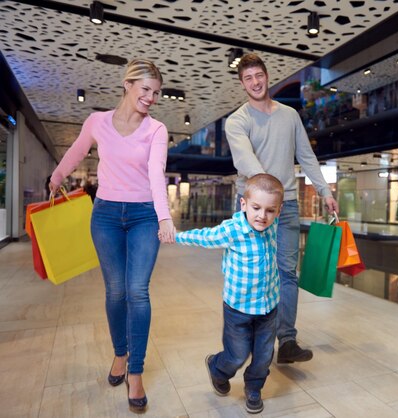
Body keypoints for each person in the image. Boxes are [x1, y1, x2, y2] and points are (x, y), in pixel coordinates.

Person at [49, 59, 176, 414]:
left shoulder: (157, 130)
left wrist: (164, 217)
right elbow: (77, 150)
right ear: (127, 84)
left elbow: (156, 174)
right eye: (145, 89)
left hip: (143, 217)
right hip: (104, 215)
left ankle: (135, 371)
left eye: (156, 92)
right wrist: (58, 176)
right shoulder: (97, 122)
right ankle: (120, 353)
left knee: (137, 290)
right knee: (115, 291)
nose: (150, 98)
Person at [225, 53, 339, 364]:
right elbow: (246, 162)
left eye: (258, 75)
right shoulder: (237, 120)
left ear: (266, 75)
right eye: (248, 78)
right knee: (254, 273)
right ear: (242, 83)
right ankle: (249, 337)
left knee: (287, 273)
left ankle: (287, 340)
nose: (255, 82)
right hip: (253, 208)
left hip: (286, 205)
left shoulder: (289, 116)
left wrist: (324, 191)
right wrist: (264, 198)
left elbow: (306, 155)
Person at [174, 174, 284, 414]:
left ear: (278, 211)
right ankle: (217, 367)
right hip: (238, 309)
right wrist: (175, 235)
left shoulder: (272, 224)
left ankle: (254, 388)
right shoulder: (232, 230)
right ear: (243, 204)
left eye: (270, 210)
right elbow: (204, 237)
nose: (262, 216)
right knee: (237, 354)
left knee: (264, 355)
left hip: (268, 307)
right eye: (256, 208)